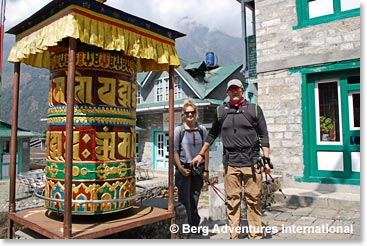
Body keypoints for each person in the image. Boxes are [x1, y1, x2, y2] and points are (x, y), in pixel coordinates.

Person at [191, 79, 270, 239]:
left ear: (242, 91)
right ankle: (234, 236)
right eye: (231, 90)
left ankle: (255, 235)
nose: (234, 92)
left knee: (253, 200)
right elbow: (212, 135)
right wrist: (200, 154)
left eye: (238, 89)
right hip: (230, 164)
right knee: (232, 201)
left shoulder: (254, 110)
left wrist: (266, 159)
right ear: (227, 93)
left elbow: (264, 135)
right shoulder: (221, 111)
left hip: (252, 162)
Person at [174, 99, 209, 228]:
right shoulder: (179, 130)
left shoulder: (202, 130)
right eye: (187, 113)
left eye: (192, 112)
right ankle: (184, 227)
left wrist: (206, 170)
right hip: (183, 168)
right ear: (183, 114)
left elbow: (206, 151)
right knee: (184, 199)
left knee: (195, 198)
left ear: (196, 113)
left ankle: (194, 225)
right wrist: (180, 168)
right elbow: (175, 151)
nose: (190, 115)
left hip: (197, 170)